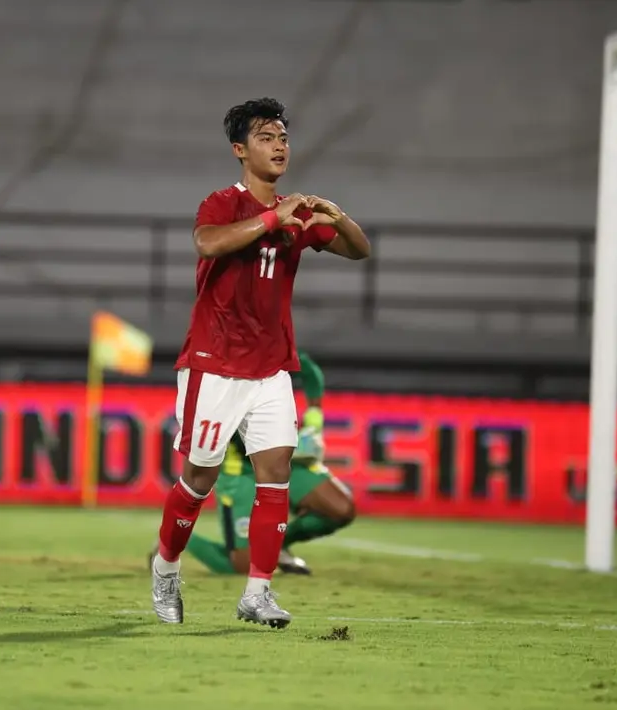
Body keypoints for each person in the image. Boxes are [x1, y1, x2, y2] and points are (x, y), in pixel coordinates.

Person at [150, 97, 372, 628]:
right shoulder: (223, 203)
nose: (279, 146)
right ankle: (165, 568)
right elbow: (208, 244)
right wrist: (275, 216)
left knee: (274, 475)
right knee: (198, 479)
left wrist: (334, 214)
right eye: (266, 137)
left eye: (283, 137)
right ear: (239, 149)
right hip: (214, 363)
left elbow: (359, 250)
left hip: (271, 367)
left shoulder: (296, 214)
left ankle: (257, 592)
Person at [157, 350, 356, 578]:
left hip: (282, 456)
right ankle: (173, 539)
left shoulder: (269, 341)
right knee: (244, 566)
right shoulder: (215, 361)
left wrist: (314, 417)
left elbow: (309, 370)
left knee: (340, 509)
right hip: (239, 469)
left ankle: (277, 546)